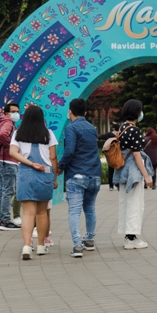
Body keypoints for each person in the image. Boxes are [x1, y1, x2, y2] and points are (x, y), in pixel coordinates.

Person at [8, 106, 58, 260]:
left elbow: (12, 152)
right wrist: (54, 178)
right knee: (42, 212)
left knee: (28, 213)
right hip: (45, 173)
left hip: (25, 174)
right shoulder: (48, 133)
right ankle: (41, 245)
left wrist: (30, 164)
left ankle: (26, 246)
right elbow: (53, 157)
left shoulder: (18, 133)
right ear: (41, 118)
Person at [57, 98, 102, 258]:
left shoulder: (71, 127)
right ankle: (89, 240)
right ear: (85, 112)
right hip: (94, 174)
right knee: (90, 209)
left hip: (77, 175)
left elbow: (69, 151)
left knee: (74, 211)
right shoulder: (91, 128)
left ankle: (77, 245)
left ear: (70, 111)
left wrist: (61, 166)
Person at [113, 99, 154, 250]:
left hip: (122, 170)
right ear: (137, 113)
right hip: (133, 171)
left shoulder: (122, 127)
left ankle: (128, 235)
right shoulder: (135, 130)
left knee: (125, 202)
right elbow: (137, 155)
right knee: (135, 204)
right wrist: (147, 176)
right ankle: (131, 238)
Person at [0, 102, 22, 231]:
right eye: (13, 111)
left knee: (2, 191)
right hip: (8, 161)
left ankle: (0, 220)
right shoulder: (8, 122)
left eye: (17, 111)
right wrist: (11, 147)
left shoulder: (2, 121)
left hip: (3, 161)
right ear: (6, 113)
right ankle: (5, 221)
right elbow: (2, 135)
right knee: (8, 191)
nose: (16, 114)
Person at [98, 122, 120, 191]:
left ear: (113, 128)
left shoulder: (110, 134)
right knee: (119, 169)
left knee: (111, 170)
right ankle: (118, 184)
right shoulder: (121, 134)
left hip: (111, 154)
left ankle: (111, 186)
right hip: (119, 154)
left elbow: (100, 136)